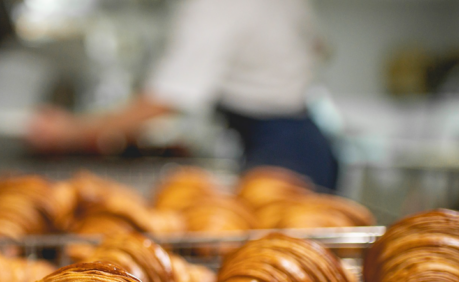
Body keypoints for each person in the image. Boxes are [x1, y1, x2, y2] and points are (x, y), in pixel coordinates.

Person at [25, 0, 339, 190]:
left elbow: (166, 99)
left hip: (284, 151)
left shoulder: (216, 5)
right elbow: (320, 46)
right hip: (308, 139)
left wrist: (70, 131)